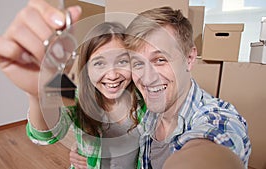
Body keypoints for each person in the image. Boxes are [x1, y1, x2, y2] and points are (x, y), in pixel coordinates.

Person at [70, 6, 252, 169]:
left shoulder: (216, 116)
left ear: (189, 58)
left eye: (160, 60)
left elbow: (211, 146)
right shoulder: (146, 111)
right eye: (138, 63)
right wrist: (84, 148)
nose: (148, 79)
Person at [0, 1, 147, 169]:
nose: (113, 75)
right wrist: (39, 96)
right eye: (100, 63)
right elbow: (47, 135)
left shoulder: (143, 97)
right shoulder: (75, 94)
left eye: (122, 61)